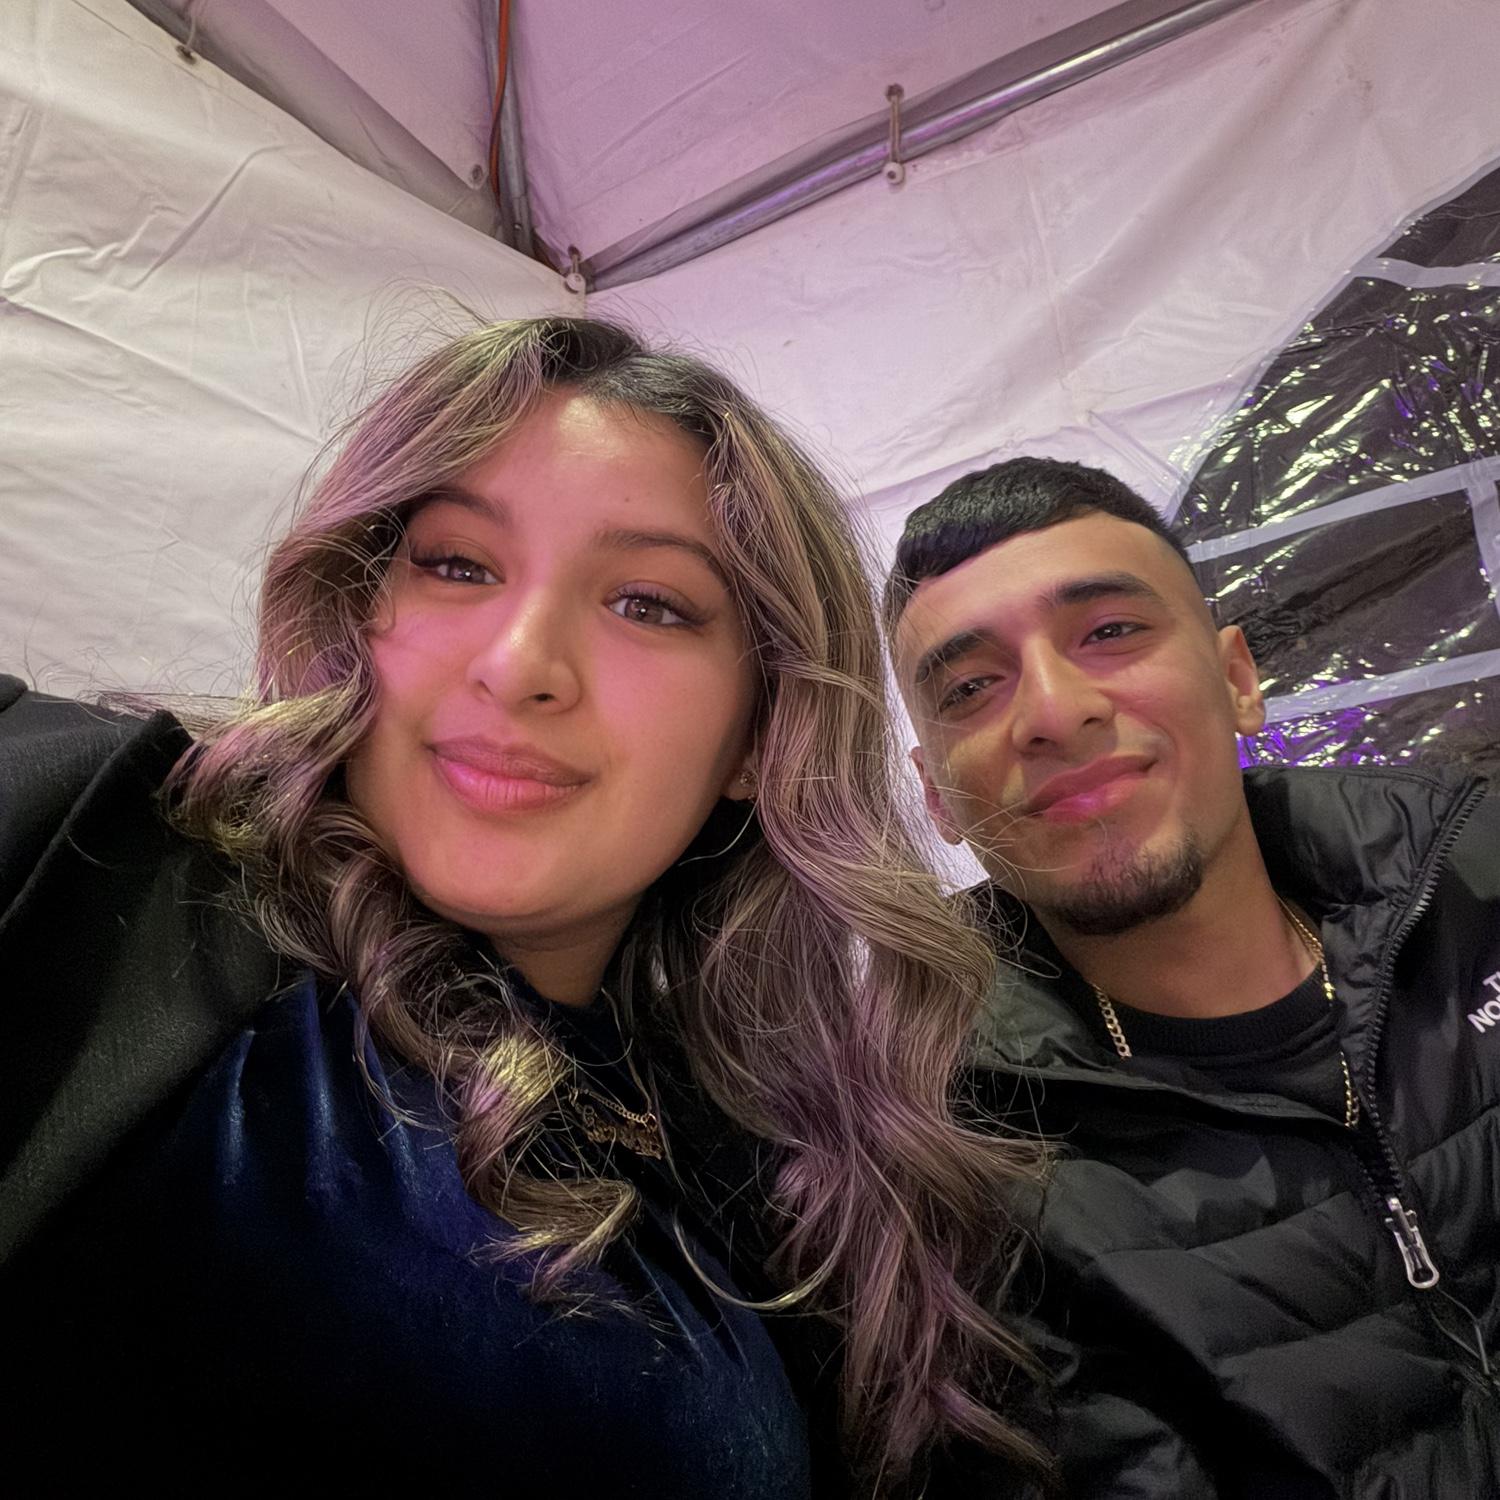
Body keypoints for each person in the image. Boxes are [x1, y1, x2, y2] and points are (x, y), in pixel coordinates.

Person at [0, 319, 1050, 1495]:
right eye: (457, 564)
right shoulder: (107, 865)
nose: (518, 663)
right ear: (355, 608)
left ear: (763, 735)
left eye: (647, 603)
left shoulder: (772, 1146)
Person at [884, 456, 1500, 1497]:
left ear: (1238, 680)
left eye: (1110, 632)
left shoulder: (1482, 884)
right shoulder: (939, 1177)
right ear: (937, 799)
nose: (1054, 711)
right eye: (971, 688)